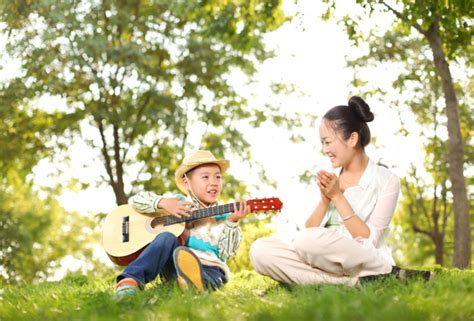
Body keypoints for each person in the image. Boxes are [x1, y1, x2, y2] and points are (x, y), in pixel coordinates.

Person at [250, 96, 432, 286]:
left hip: (361, 257)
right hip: (319, 255)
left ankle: (353, 276)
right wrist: (324, 200)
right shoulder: (330, 176)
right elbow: (309, 231)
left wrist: (338, 197)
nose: (325, 149)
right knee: (260, 250)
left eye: (327, 142)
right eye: (322, 143)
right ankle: (354, 283)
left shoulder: (386, 180)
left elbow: (370, 240)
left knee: (307, 241)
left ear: (352, 139)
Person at [114, 150, 250, 301]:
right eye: (205, 177)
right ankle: (129, 281)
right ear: (187, 183)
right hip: (174, 266)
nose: (214, 182)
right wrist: (162, 202)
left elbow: (227, 253)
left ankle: (192, 283)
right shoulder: (176, 203)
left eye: (218, 177)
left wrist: (232, 222)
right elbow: (136, 200)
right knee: (166, 237)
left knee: (208, 277)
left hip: (210, 269)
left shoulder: (226, 216)